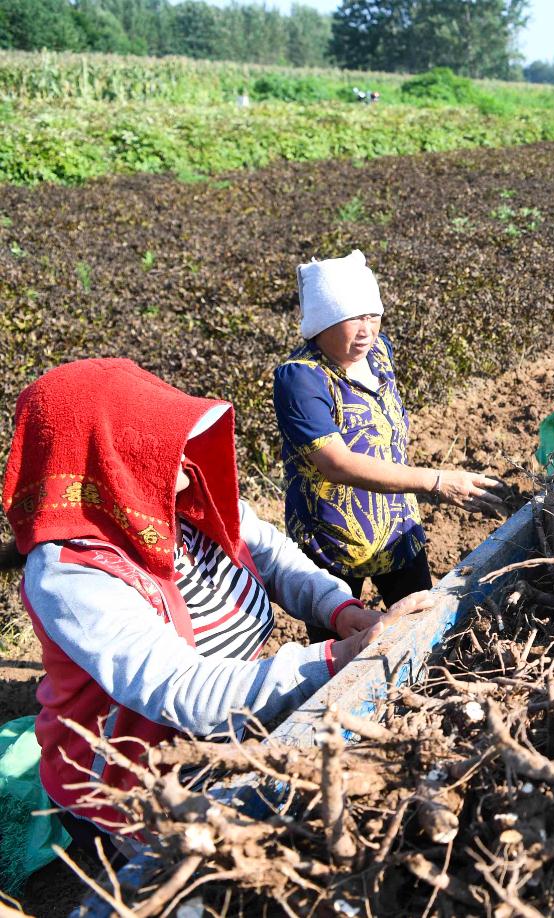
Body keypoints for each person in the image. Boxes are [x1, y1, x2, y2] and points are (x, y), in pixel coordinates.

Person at [2, 358, 421, 849]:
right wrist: (340, 656)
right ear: (107, 459)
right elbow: (183, 692)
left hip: (227, 725)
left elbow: (272, 554)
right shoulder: (71, 575)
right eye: (151, 442)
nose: (181, 457)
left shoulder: (177, 498)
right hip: (138, 774)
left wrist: (343, 611)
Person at [274, 251, 502, 617]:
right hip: (331, 541)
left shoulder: (379, 353)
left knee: (418, 624)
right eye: (350, 319)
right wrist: (437, 481)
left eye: (371, 315)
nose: (366, 330)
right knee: (342, 643)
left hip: (396, 527)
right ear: (321, 323)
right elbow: (336, 463)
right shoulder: (301, 377)